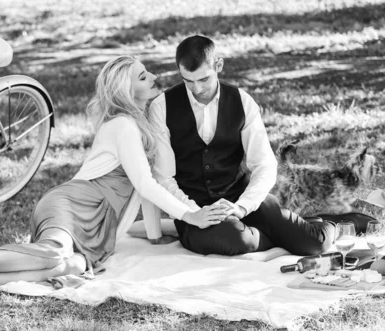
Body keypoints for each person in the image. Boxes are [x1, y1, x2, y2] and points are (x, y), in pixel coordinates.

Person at [0, 55, 229, 300]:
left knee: (74, 266)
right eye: (144, 76)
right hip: (74, 204)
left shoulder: (141, 124)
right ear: (126, 88)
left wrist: (155, 234)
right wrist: (190, 215)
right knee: (54, 254)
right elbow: (145, 183)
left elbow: (145, 189)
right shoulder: (123, 126)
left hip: (100, 224)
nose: (155, 77)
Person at [142, 35, 335, 256]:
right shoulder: (161, 108)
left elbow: (264, 164)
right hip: (195, 210)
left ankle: (332, 225)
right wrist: (194, 213)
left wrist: (242, 206)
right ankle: (278, 235)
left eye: (204, 79)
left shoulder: (243, 102)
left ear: (219, 65)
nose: (196, 89)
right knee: (239, 241)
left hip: (240, 197)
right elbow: (163, 177)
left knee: (315, 244)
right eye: (188, 81)